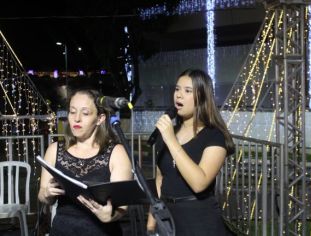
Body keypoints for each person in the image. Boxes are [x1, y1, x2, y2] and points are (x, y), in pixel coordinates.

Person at [146, 69, 235, 235]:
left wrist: (171, 141)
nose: (178, 95)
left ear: (201, 98)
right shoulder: (167, 133)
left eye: (187, 91)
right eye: (177, 89)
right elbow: (159, 180)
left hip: (199, 220)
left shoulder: (214, 136)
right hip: (167, 219)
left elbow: (199, 183)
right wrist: (151, 224)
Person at [38, 89, 132, 236]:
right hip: (62, 230)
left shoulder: (117, 152)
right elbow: (42, 195)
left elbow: (122, 206)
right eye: (72, 111)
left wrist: (111, 216)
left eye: (85, 113)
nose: (77, 119)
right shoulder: (54, 149)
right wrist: (48, 193)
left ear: (100, 118)